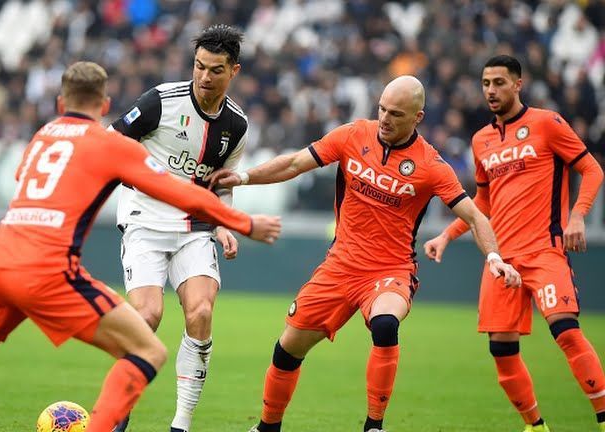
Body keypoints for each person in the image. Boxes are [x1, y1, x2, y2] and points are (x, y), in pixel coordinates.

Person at [0, 61, 282, 432]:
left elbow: (21, 177)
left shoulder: (42, 136)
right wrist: (245, 223)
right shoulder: (110, 145)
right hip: (47, 269)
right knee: (148, 351)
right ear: (106, 105)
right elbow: (183, 194)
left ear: (61, 103)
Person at [208, 75, 521, 432]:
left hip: (391, 270)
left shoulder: (431, 166)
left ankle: (374, 426)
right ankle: (267, 427)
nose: (385, 119)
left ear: (417, 118)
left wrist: (495, 258)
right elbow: (295, 164)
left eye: (396, 114)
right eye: (382, 109)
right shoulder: (353, 135)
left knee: (386, 325)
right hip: (340, 265)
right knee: (287, 348)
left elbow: (475, 216)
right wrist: (245, 178)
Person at [424, 55, 605, 432]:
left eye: (499, 82)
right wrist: (446, 234)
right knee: (502, 351)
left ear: (518, 84)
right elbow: (484, 205)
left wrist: (577, 215)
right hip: (501, 259)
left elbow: (591, 169)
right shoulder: (481, 140)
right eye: (486, 83)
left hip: (545, 249)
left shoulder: (547, 123)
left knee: (567, 332)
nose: (491, 90)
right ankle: (535, 427)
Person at [108, 24, 247, 432]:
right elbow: (109, 142)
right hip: (145, 220)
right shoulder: (159, 102)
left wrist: (225, 224)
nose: (204, 77)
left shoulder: (236, 126)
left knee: (201, 312)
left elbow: (222, 184)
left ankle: (181, 424)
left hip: (193, 227)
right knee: (147, 316)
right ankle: (119, 412)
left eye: (215, 70)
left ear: (233, 71)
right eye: (199, 66)